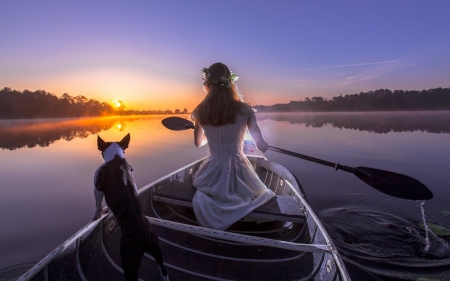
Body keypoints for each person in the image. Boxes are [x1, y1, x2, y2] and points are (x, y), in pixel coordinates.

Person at [191, 62, 275, 230]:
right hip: (239, 169)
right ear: (231, 82)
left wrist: (208, 135)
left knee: (204, 189)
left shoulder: (200, 111)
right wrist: (264, 144)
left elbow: (198, 143)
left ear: (207, 83)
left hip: (212, 172)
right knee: (257, 194)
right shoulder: (245, 109)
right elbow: (260, 144)